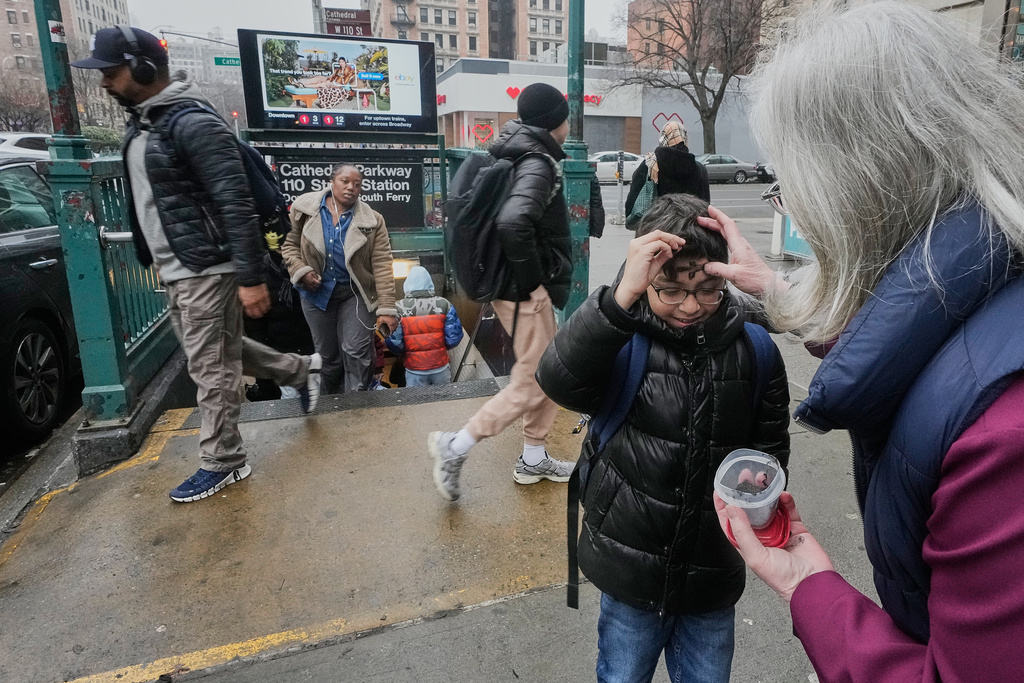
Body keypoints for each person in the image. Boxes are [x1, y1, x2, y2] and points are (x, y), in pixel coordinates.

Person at [699, 3, 1024, 680]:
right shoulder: (998, 267)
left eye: (792, 185)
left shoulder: (1002, 439)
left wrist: (809, 587)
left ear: (857, 191)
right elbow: (921, 322)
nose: (792, 206)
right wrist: (780, 290)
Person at [536, 194, 791, 683]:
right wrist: (618, 300)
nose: (690, 305)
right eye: (669, 290)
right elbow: (558, 380)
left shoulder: (755, 350)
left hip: (713, 572)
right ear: (643, 279)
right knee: (623, 673)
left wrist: (762, 494)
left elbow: (770, 449)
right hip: (630, 568)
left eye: (708, 288)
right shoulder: (620, 338)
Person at [72, 27, 322, 503]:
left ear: (143, 68)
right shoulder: (147, 122)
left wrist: (250, 277)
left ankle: (224, 460)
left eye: (110, 71)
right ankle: (299, 370)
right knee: (220, 350)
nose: (104, 82)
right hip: (179, 267)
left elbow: (235, 202)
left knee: (211, 368)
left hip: (208, 267)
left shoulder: (192, 124)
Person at [427, 82, 574, 501]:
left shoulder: (516, 150)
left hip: (510, 285)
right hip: (522, 290)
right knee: (533, 382)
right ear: (556, 121)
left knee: (548, 370)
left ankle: (533, 456)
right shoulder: (538, 163)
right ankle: (455, 447)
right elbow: (513, 222)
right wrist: (533, 286)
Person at [282, 164, 398, 393]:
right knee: (327, 356)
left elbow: (383, 264)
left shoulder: (373, 221)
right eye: (345, 181)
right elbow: (288, 245)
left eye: (357, 184)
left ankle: (356, 401)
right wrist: (300, 270)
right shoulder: (303, 208)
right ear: (332, 181)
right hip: (316, 294)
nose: (351, 187)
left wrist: (386, 308)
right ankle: (329, 403)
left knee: (355, 349)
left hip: (355, 294)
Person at [385, 266, 464, 386]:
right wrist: (440, 348)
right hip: (440, 366)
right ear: (430, 283)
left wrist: (406, 353)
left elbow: (395, 343)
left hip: (414, 368)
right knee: (444, 400)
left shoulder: (398, 308)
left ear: (407, 284)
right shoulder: (444, 304)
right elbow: (454, 338)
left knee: (417, 401)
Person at [626, 121, 710, 216]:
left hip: (655, 226)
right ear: (685, 138)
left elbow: (633, 201)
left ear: (663, 137)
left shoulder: (650, 165)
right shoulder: (699, 169)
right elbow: (705, 206)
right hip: (688, 227)